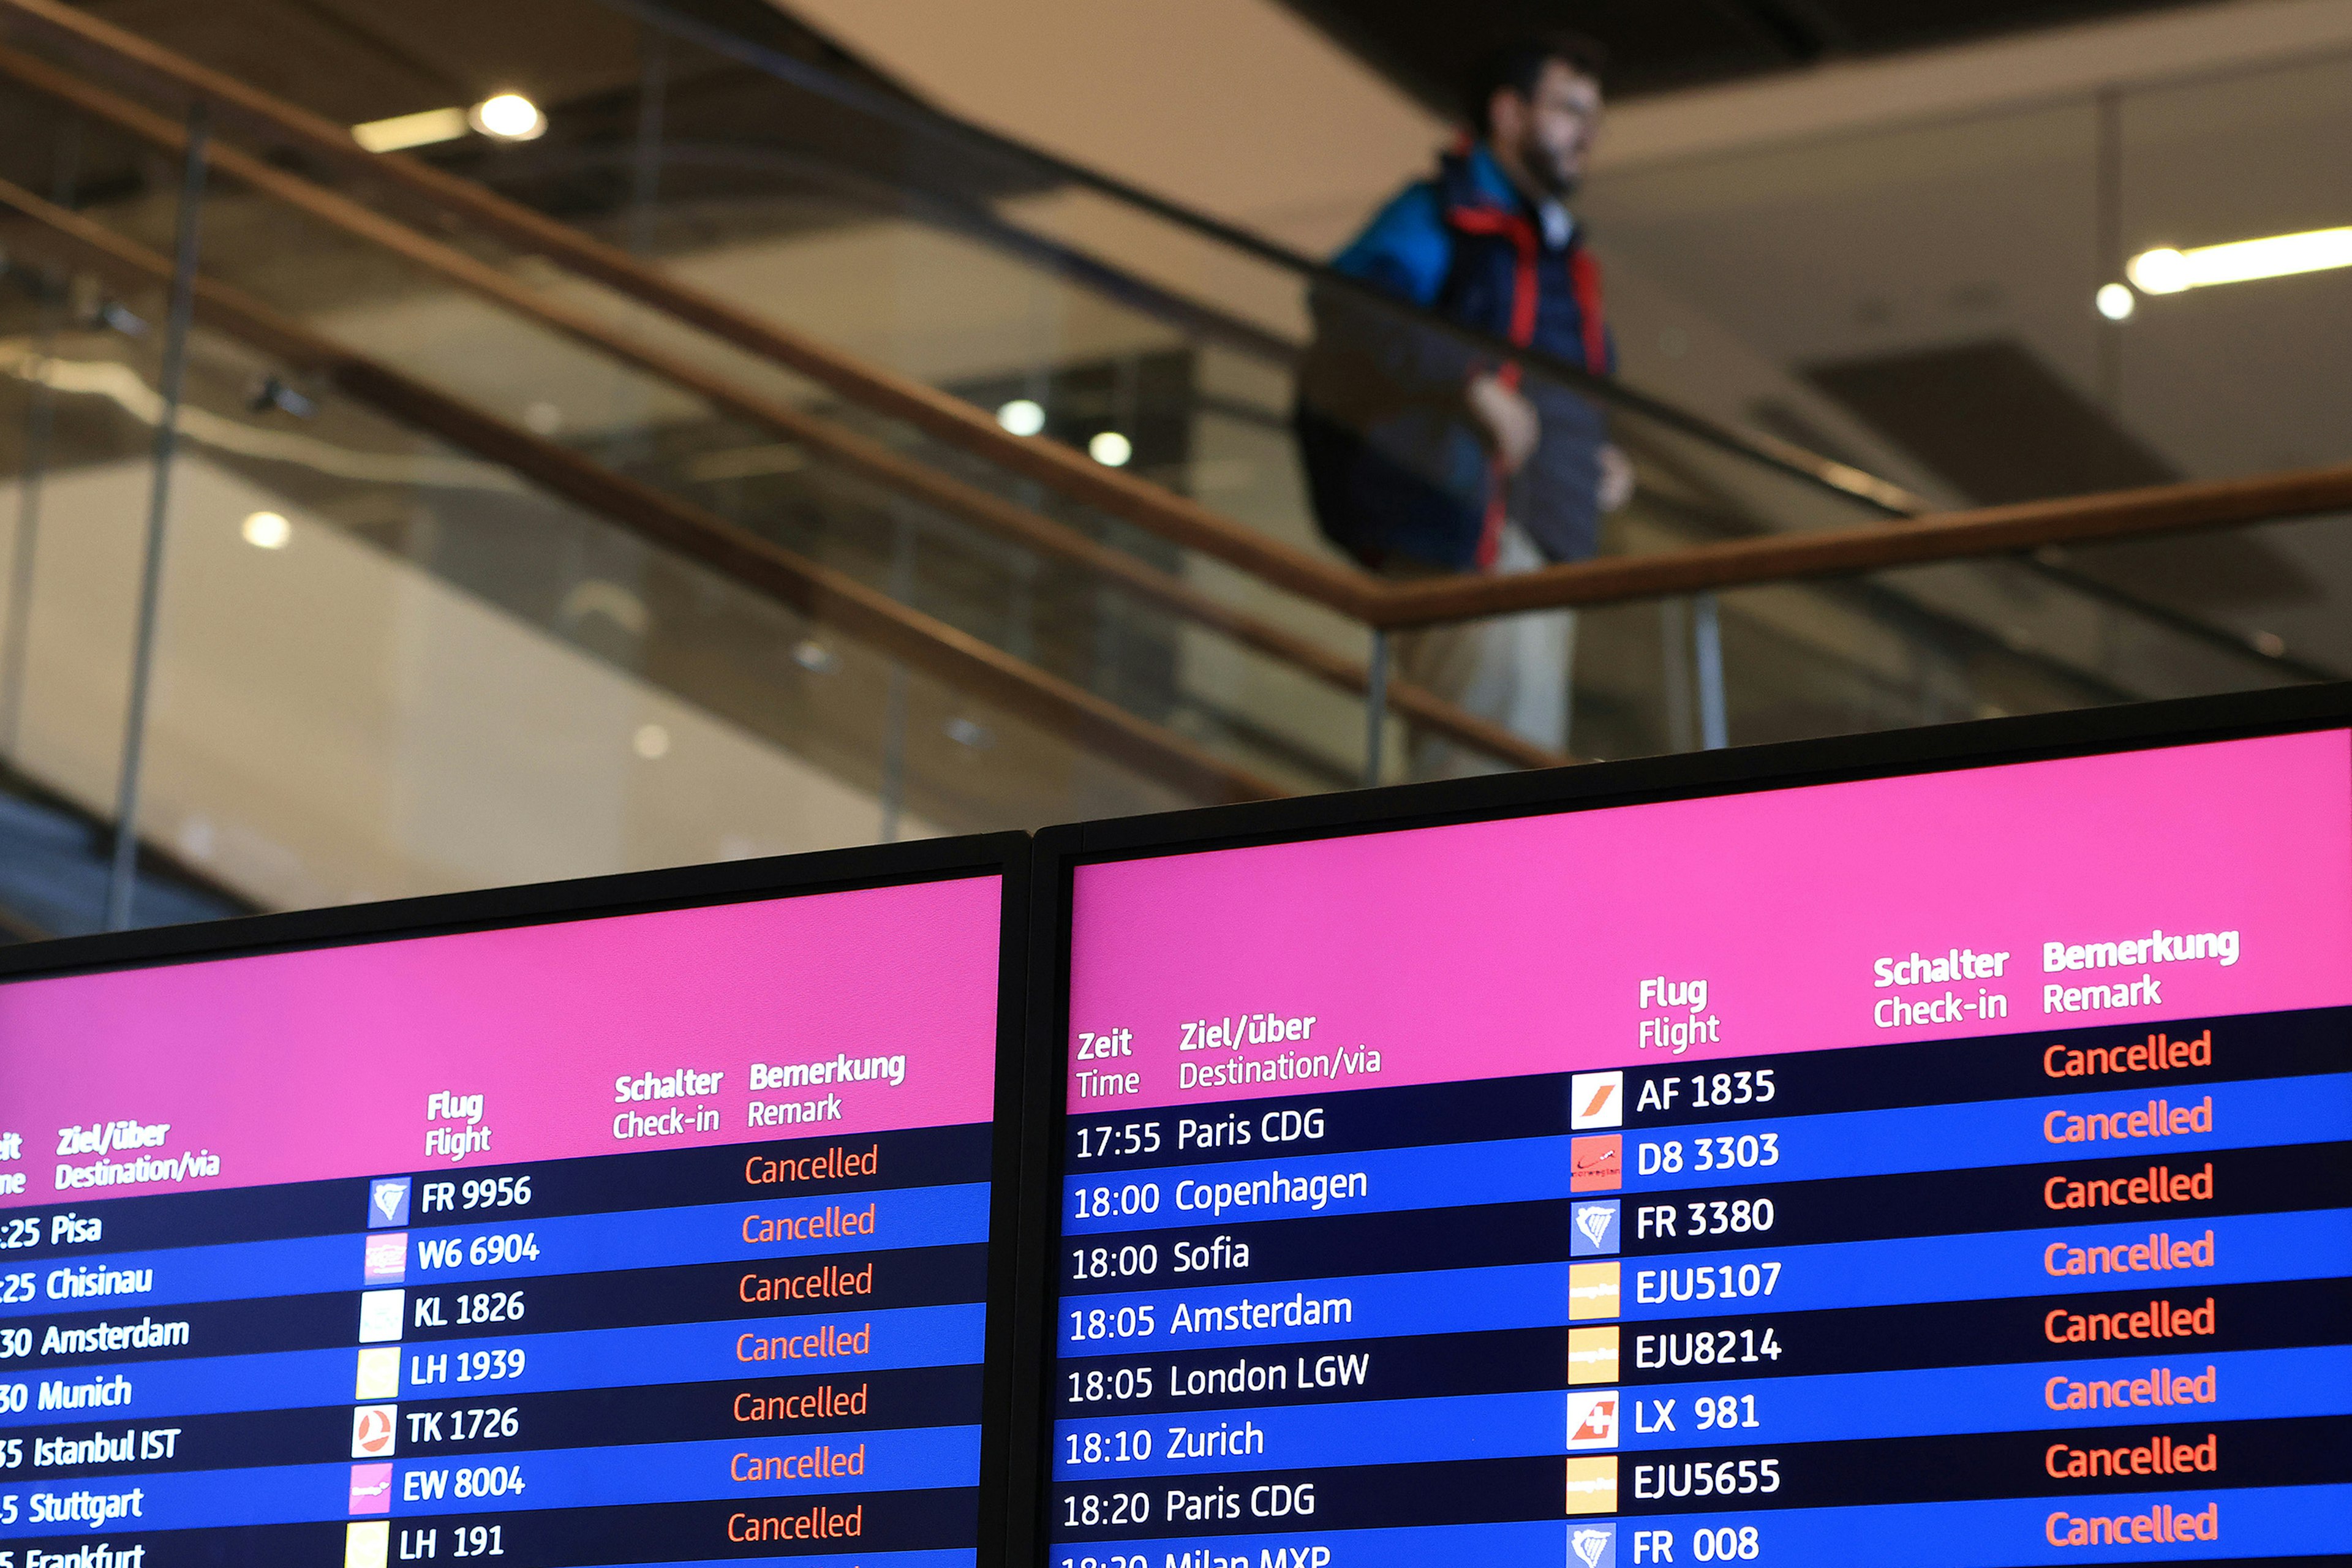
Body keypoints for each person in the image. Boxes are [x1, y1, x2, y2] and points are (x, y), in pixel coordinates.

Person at [1294, 35, 1632, 772]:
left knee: (1522, 771)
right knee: (1478, 778)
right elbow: (1353, 306)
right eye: (1569, 110)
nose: (1587, 134)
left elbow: (1567, 377)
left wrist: (1594, 456)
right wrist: (1472, 382)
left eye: (1593, 117)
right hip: (1465, 529)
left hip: (1546, 540)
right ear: (1509, 114)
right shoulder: (1444, 214)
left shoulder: (1554, 249)